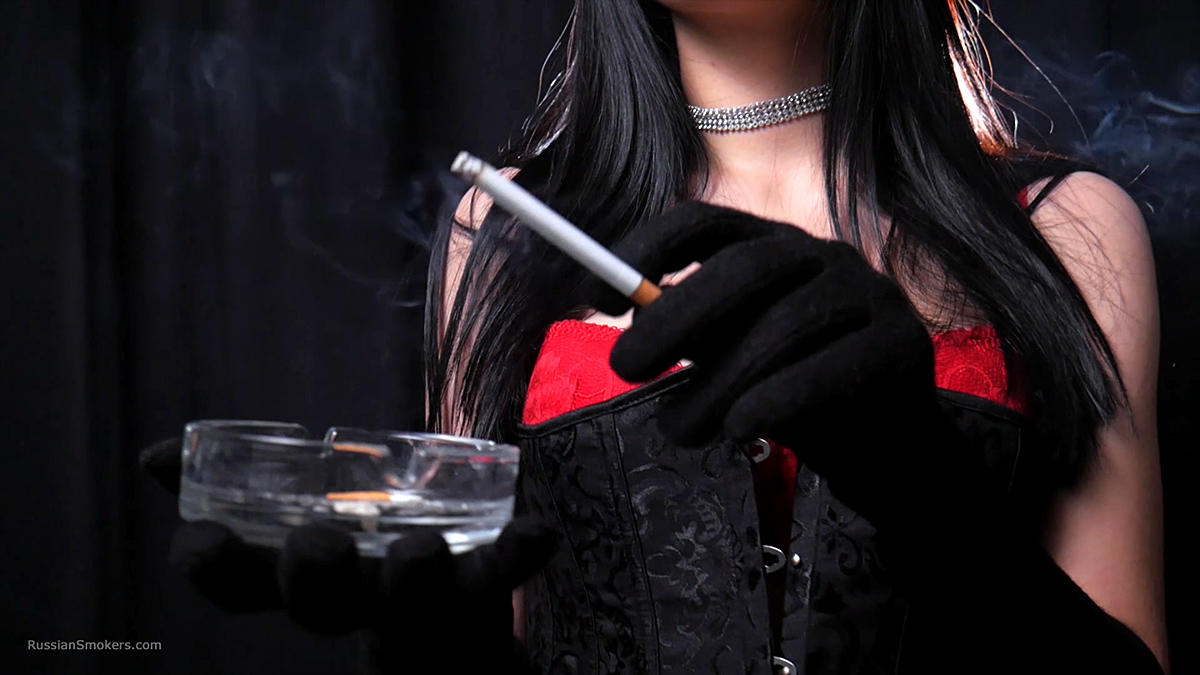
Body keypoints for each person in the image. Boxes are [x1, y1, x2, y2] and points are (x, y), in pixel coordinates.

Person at [152, 1, 1168, 673]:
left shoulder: (1064, 231)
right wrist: (432, 649)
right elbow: (490, 621)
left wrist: (930, 490)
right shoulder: (499, 236)